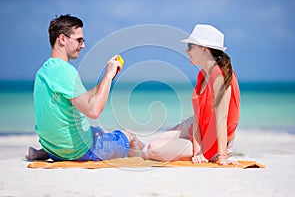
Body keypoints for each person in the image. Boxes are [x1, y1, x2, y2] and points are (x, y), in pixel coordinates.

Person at [26, 14, 144, 161]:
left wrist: (108, 77)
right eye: (79, 40)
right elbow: (94, 111)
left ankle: (42, 152)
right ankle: (149, 154)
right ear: (62, 39)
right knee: (129, 136)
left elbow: (83, 99)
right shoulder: (66, 71)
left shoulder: (43, 72)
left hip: (54, 148)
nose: (83, 45)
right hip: (78, 151)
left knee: (100, 131)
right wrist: (108, 75)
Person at [142, 24, 240, 165]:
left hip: (214, 142)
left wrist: (221, 157)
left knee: (152, 150)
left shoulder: (219, 77)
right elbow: (197, 119)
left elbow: (222, 120)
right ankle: (134, 144)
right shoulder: (202, 75)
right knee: (151, 146)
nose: (187, 51)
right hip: (199, 129)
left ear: (205, 50)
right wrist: (197, 149)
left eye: (190, 47)